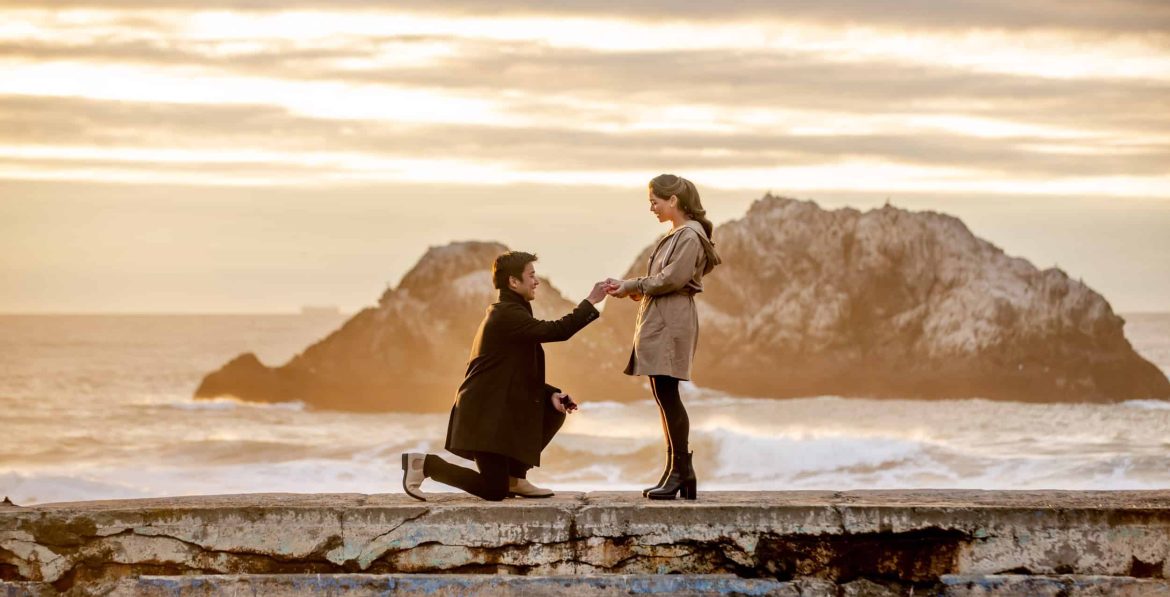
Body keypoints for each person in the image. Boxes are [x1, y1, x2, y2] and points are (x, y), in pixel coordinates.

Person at [401, 251, 612, 501]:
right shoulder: (506, 315)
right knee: (493, 490)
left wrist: (550, 393)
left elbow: (512, 373)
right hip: (483, 417)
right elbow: (558, 330)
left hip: (496, 414)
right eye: (531, 275)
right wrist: (591, 301)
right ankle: (424, 465)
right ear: (514, 282)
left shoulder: (514, 312)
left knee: (553, 406)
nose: (537, 281)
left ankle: (515, 478)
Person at [607, 174, 721, 501]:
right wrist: (634, 289)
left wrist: (632, 285)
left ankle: (681, 472)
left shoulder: (689, 235)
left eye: (655, 201)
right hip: (662, 315)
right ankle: (678, 472)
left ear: (673, 200)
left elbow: (672, 278)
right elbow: (664, 280)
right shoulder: (676, 234)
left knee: (668, 394)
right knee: (663, 393)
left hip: (672, 318)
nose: (652, 208)